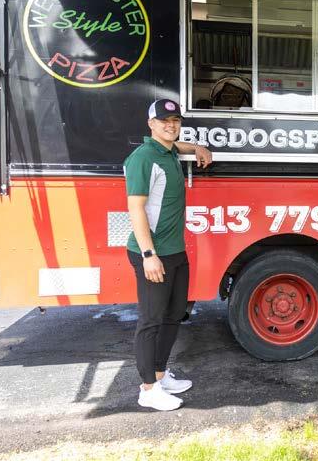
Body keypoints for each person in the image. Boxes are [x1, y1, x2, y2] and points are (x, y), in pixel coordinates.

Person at [124, 99, 212, 410]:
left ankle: (160, 375)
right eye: (164, 120)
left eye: (175, 120)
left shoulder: (168, 151)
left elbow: (177, 145)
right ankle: (148, 389)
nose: (171, 125)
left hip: (175, 250)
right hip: (153, 253)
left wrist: (197, 147)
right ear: (151, 124)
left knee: (174, 315)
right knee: (151, 321)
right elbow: (136, 209)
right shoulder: (143, 157)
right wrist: (149, 254)